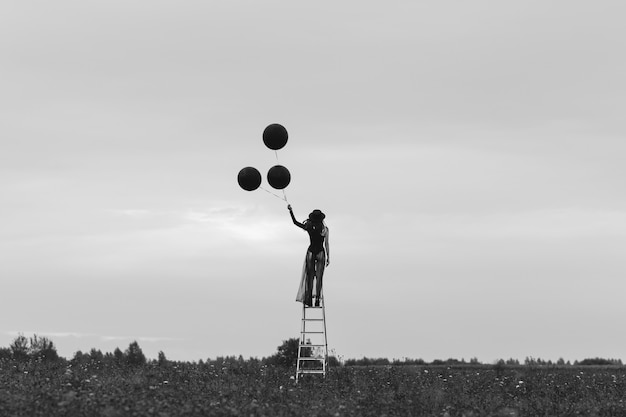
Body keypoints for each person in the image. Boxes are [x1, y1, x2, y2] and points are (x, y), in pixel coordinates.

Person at [288, 205, 330, 307]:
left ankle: (309, 300)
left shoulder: (309, 226)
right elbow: (326, 244)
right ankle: (317, 300)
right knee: (319, 277)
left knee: (310, 276)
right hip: (320, 252)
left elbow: (295, 223)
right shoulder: (324, 229)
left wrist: (291, 211)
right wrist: (328, 257)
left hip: (311, 251)